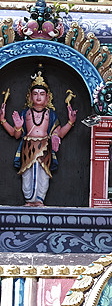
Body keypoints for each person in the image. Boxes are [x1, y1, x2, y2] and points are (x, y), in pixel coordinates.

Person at [0, 70, 76, 206]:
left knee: (43, 175)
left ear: (48, 97)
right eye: (35, 94)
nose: (38, 97)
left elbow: (59, 133)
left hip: (44, 147)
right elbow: (16, 134)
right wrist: (7, 122)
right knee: (27, 174)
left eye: (42, 94)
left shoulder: (50, 114)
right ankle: (29, 200)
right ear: (30, 97)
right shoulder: (26, 113)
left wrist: (70, 122)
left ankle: (39, 200)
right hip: (27, 147)